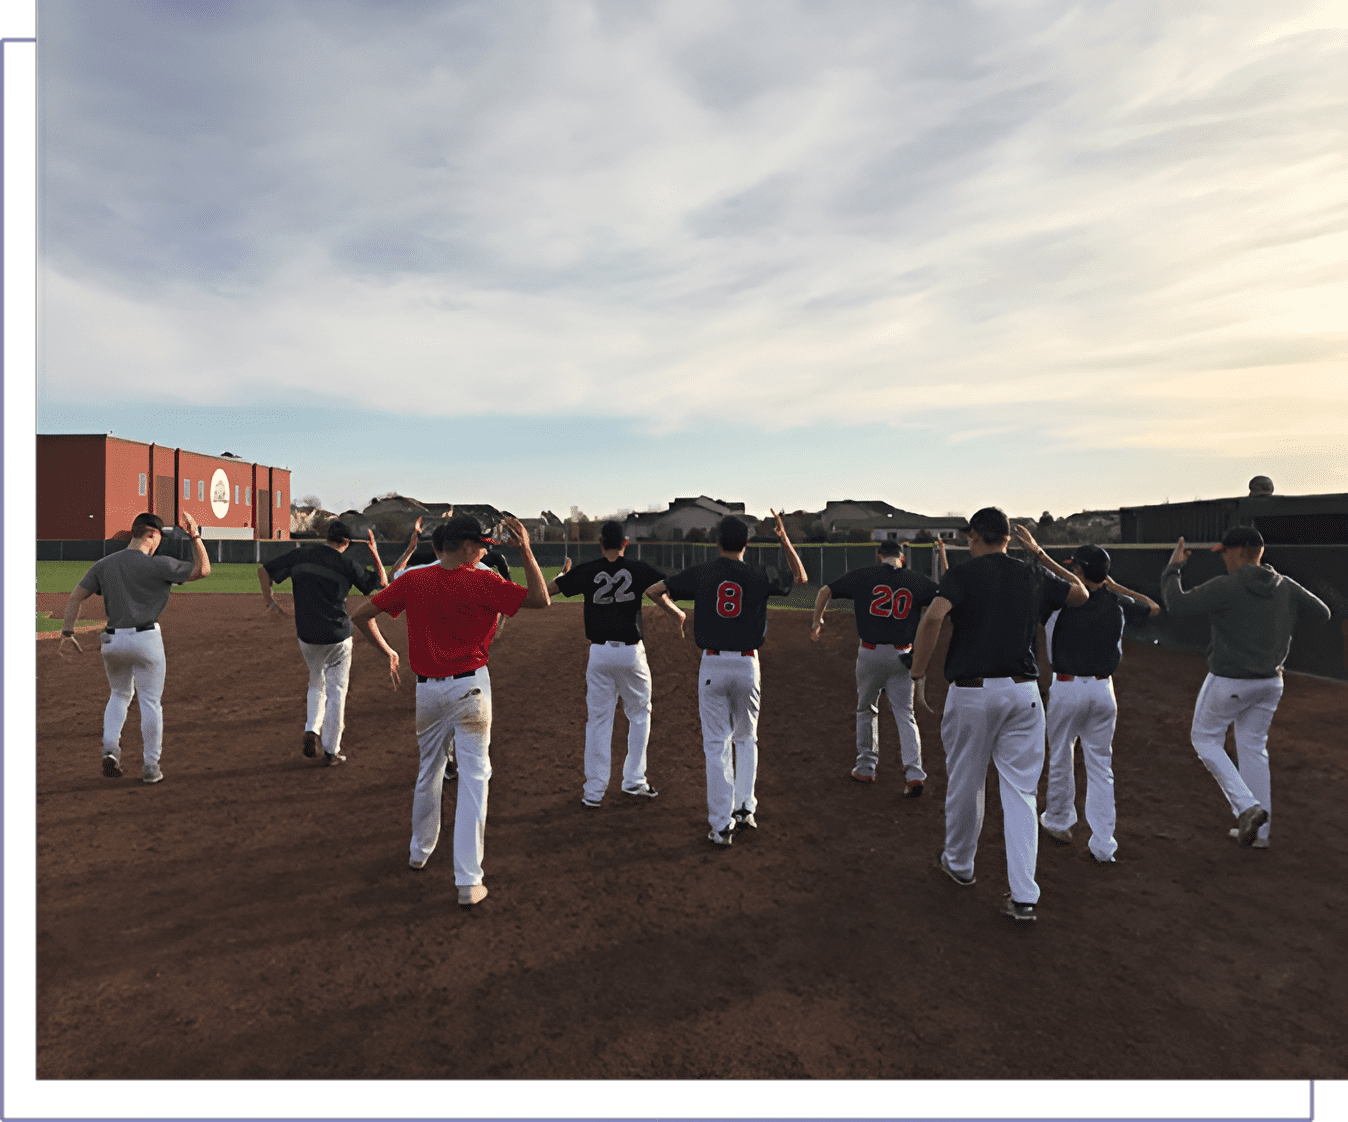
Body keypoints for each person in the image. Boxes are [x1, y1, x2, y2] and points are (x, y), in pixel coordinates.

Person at [351, 514, 550, 907]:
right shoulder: (483, 581)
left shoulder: (413, 580)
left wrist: (387, 651)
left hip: (428, 692)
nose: (482, 553)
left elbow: (360, 615)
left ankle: (419, 851)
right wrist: (525, 548)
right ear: (464, 546)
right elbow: (541, 600)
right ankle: (468, 880)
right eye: (479, 546)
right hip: (470, 688)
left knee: (429, 771)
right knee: (475, 777)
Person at [909, 509, 1087, 922]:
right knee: (1022, 794)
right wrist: (1039, 554)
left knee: (967, 783)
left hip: (972, 694)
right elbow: (1080, 592)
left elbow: (934, 616)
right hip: (1024, 695)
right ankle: (1025, 895)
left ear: (975, 537)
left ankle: (960, 864)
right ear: (1009, 537)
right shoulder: (1031, 573)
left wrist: (918, 673)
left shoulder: (964, 574)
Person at [1161, 526, 1329, 849]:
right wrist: (1281, 622)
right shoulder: (1286, 585)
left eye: (1225, 552)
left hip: (1231, 681)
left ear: (1238, 552)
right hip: (1270, 683)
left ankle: (1247, 807)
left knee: (1204, 738)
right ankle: (1260, 835)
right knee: (1253, 748)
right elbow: (1322, 613)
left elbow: (1177, 605)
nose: (1223, 558)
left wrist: (1173, 569)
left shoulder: (1228, 586)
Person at [646, 511, 807, 846]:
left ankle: (721, 826)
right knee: (747, 739)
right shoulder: (759, 573)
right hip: (748, 665)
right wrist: (783, 538)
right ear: (746, 543)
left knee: (717, 744)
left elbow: (654, 590)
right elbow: (801, 577)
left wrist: (676, 611)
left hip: (713, 665)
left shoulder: (703, 572)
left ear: (717, 542)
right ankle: (745, 808)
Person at [58, 510, 211, 783]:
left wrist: (67, 632)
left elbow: (75, 597)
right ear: (151, 534)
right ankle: (151, 767)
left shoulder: (104, 564)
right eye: (158, 538)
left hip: (113, 641)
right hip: (146, 640)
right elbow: (203, 570)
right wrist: (195, 535)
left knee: (119, 694)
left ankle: (110, 750)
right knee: (150, 702)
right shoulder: (159, 565)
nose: (158, 544)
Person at [549, 520, 686, 808]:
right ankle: (634, 780)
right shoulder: (638, 569)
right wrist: (674, 612)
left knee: (598, 720)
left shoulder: (587, 569)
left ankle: (593, 792)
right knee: (639, 715)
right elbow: (664, 589)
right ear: (625, 542)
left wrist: (563, 575)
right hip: (630, 652)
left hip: (599, 653)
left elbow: (547, 591)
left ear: (600, 542)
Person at [1036, 545, 1159, 863]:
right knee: (1101, 767)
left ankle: (1060, 822)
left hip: (1067, 688)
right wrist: (1112, 584)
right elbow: (1153, 607)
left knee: (1062, 756)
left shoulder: (1060, 602)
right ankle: (1104, 844)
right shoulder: (1116, 602)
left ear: (1078, 571)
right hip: (1104, 692)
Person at [810, 538, 948, 795]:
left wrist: (817, 621)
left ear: (879, 556)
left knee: (866, 710)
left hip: (870, 654)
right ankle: (914, 773)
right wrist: (943, 554)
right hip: (903, 655)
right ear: (902, 558)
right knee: (905, 714)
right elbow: (946, 595)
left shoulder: (865, 575)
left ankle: (865, 768)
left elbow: (824, 590)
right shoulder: (915, 579)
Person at [259, 521, 394, 767]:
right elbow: (382, 583)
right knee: (337, 692)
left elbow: (264, 571)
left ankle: (312, 727)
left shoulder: (302, 554)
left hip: (307, 635)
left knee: (316, 681)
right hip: (337, 635)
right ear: (347, 543)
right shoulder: (348, 564)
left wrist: (270, 601)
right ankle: (331, 750)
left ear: (327, 536)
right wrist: (374, 551)